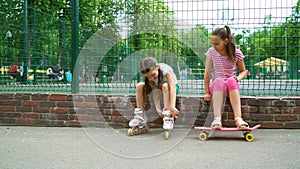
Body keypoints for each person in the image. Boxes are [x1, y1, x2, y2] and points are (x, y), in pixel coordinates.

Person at [203, 25, 249, 130]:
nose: (214, 46)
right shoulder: (212, 52)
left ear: (226, 41)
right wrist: (206, 92)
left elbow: (243, 71)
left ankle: (238, 119)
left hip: (231, 88)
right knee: (219, 80)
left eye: (217, 43)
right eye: (212, 44)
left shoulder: (236, 53)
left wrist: (238, 78)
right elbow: (207, 73)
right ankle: (217, 119)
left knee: (231, 80)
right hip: (216, 88)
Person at [129, 57, 180, 132]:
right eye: (148, 77)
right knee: (139, 86)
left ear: (157, 67)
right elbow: (155, 91)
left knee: (165, 86)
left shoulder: (165, 70)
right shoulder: (149, 76)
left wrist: (172, 107)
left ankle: (168, 116)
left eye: (153, 75)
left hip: (170, 88)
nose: (151, 78)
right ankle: (140, 116)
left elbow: (172, 88)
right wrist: (158, 108)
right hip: (158, 88)